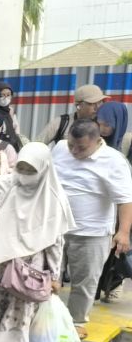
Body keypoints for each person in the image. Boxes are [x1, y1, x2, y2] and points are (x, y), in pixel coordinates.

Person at [0, 143, 75, 342]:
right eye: (21, 169)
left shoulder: (53, 198)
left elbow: (55, 242)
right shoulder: (2, 187)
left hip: (30, 269)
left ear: (43, 169)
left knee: (18, 316)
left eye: (31, 170)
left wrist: (53, 276)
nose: (25, 176)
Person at [52, 120, 132, 328]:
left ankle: (76, 324)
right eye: (71, 145)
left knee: (84, 282)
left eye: (81, 148)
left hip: (92, 234)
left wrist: (123, 232)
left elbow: (125, 199)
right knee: (47, 278)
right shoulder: (60, 149)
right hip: (56, 230)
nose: (74, 151)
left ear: (98, 141)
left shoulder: (114, 161)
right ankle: (46, 323)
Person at [38, 84, 106, 145]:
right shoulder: (62, 123)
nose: (97, 107)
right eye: (91, 103)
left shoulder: (105, 125)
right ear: (78, 105)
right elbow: (35, 147)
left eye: (100, 102)